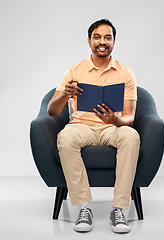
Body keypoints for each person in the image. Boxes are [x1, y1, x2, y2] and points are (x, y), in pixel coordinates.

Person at [47, 19, 140, 234]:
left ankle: (118, 209)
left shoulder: (126, 73)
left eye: (108, 38)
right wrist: (65, 94)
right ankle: (83, 207)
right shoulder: (75, 70)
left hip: (112, 128)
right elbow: (52, 111)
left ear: (114, 42)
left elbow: (130, 118)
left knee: (131, 136)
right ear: (89, 41)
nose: (102, 42)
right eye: (97, 37)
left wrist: (114, 120)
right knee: (66, 137)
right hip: (81, 126)